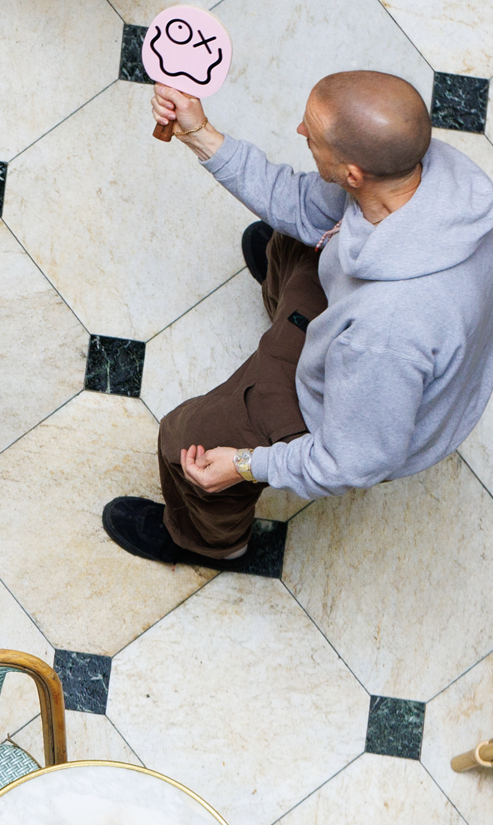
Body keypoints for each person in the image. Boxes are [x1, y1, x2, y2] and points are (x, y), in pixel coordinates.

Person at [104, 71, 493, 566]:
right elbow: (304, 204)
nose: (299, 132)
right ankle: (284, 295)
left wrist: (247, 465)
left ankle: (206, 541)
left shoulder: (388, 331)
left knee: (185, 442)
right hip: (380, 333)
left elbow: (353, 461)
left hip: (358, 397)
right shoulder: (437, 176)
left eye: (312, 130)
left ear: (354, 173)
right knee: (291, 237)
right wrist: (198, 132)